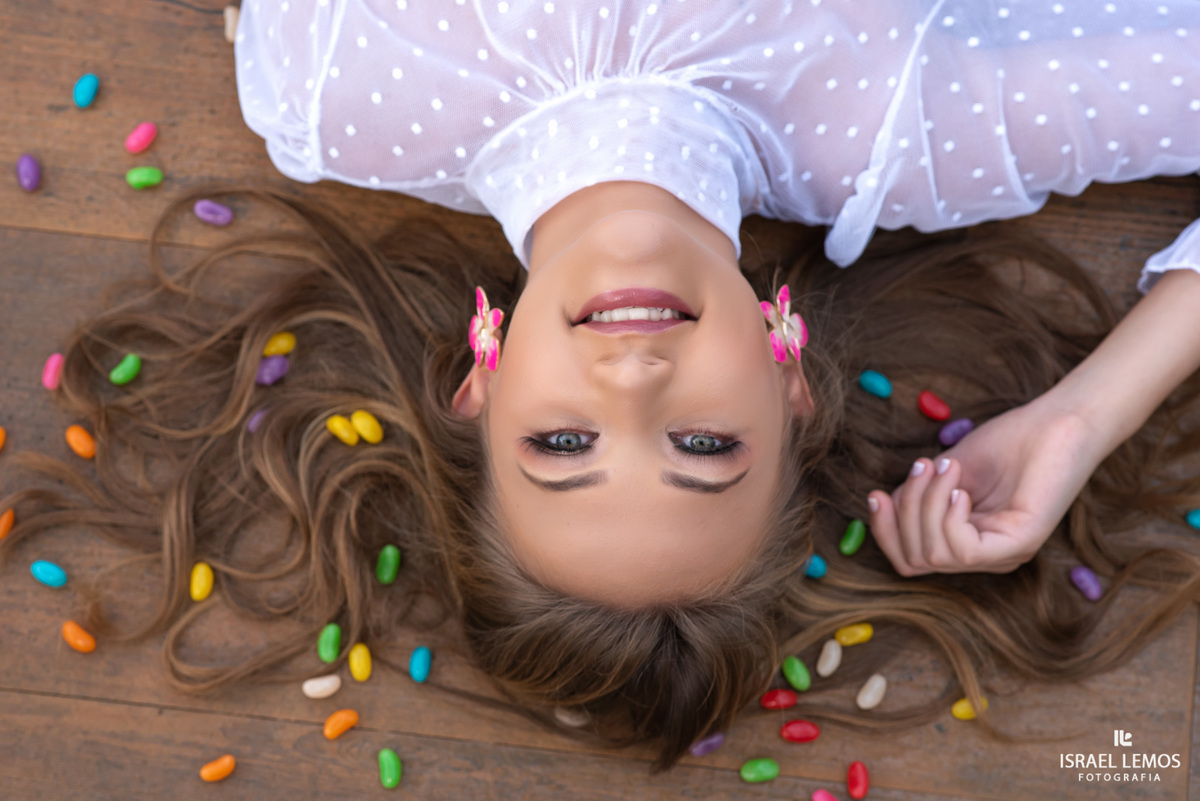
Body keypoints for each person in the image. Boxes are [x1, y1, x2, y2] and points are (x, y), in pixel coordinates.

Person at [5, 0, 1200, 773]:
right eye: (703, 447)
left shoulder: (327, 89)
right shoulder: (918, 130)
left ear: (479, 385)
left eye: (565, 446)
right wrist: (1086, 412)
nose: (633, 379)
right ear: (792, 381)